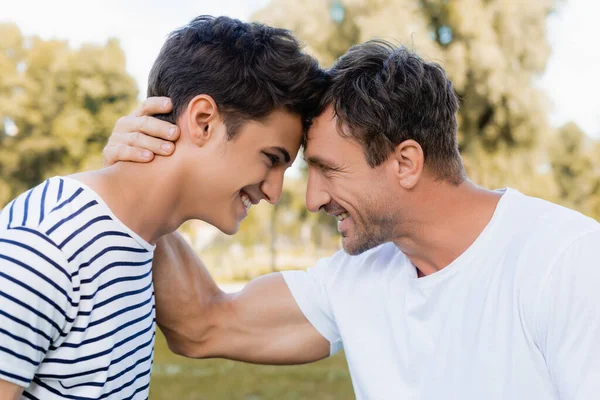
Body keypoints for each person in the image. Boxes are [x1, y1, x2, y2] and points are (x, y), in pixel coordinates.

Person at [105, 40, 600, 399]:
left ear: (405, 163)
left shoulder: (567, 263)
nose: (311, 198)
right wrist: (148, 177)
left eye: (327, 170)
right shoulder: (360, 275)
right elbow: (203, 324)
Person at [0, 15, 325, 399]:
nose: (273, 192)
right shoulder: (44, 249)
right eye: (271, 158)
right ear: (203, 121)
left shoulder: (142, 245)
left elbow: (207, 322)